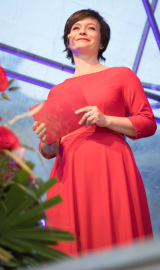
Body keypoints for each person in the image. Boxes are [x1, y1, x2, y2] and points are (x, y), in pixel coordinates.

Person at [32, 9, 157, 257]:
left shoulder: (121, 75)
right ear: (69, 41)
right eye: (76, 28)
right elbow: (50, 150)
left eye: (91, 28)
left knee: (114, 238)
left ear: (101, 42)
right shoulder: (57, 91)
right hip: (68, 174)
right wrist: (47, 141)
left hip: (110, 165)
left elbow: (147, 122)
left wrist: (105, 119)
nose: (82, 31)